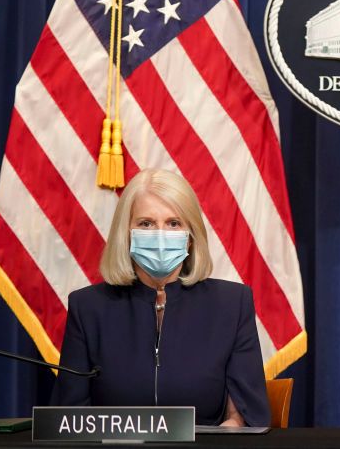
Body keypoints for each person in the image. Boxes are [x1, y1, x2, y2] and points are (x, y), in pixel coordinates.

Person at [52, 169, 271, 427]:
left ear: (190, 238)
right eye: (146, 223)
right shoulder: (88, 308)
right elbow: (67, 419)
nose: (160, 235)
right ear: (126, 234)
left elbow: (245, 418)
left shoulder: (232, 305)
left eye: (173, 223)